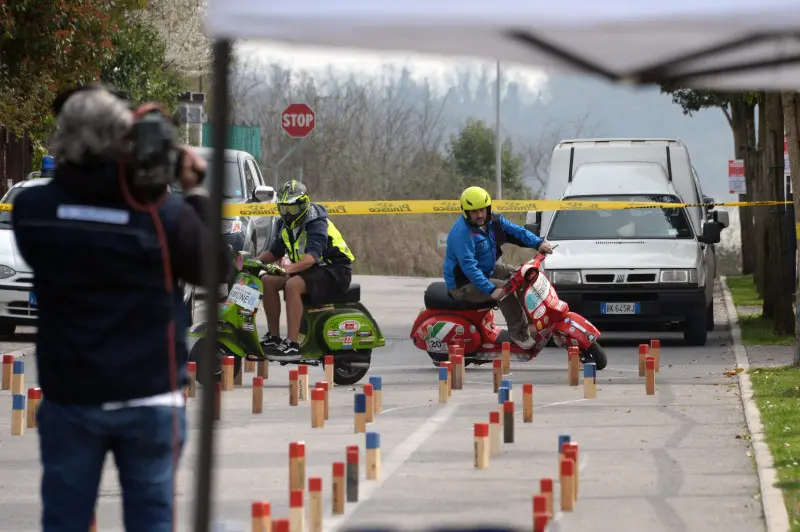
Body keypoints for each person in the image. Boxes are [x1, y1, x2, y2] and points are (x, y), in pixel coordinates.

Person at [11, 85, 230, 532]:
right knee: (151, 521)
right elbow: (217, 267)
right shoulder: (161, 215)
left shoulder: (32, 209)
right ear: (121, 140)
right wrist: (192, 194)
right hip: (150, 396)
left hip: (71, 397)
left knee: (65, 520)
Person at [443, 186, 552, 349]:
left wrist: (538, 243)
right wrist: (490, 289)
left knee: (523, 274)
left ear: (488, 208)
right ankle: (519, 335)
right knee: (505, 290)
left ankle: (533, 324)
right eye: (474, 212)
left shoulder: (493, 222)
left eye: (482, 210)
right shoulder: (462, 233)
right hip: (463, 284)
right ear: (466, 212)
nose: (480, 215)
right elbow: (469, 268)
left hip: (486, 271)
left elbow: (517, 232)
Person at [256, 180, 355, 359]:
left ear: (303, 205)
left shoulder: (316, 222)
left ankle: (293, 344)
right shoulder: (284, 225)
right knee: (267, 281)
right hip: (311, 270)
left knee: (292, 285)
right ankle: (274, 337)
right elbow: (274, 252)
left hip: (335, 270)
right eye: (283, 208)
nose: (287, 214)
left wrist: (288, 269)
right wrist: (252, 263)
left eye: (292, 209)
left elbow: (311, 258)